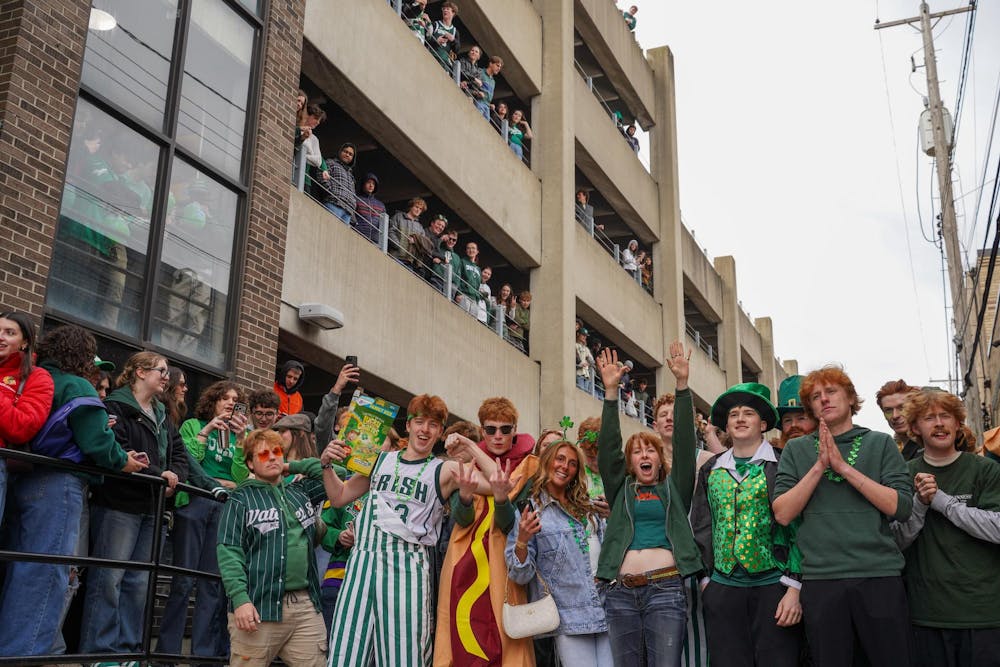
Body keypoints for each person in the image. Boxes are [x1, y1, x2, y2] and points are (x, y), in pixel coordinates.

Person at [323, 394, 501, 667]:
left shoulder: (444, 469)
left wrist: (468, 443)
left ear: (440, 432)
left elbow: (499, 482)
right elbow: (339, 497)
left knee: (403, 657)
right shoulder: (379, 461)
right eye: (419, 422)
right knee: (345, 653)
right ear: (408, 425)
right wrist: (326, 465)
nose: (424, 430)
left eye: (432, 425)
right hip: (362, 562)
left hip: (407, 568)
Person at [0, 325, 146, 657]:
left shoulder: (32, 375)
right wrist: (124, 461)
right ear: (81, 356)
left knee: (17, 565)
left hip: (19, 477)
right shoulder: (76, 384)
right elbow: (96, 441)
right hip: (58, 483)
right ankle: (24, 655)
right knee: (47, 570)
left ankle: (10, 648)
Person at [773, 365, 913, 666]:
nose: (824, 399)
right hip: (822, 579)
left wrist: (843, 468)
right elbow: (783, 514)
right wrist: (819, 466)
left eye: (831, 391)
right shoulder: (797, 450)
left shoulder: (880, 443)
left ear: (850, 398)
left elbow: (900, 507)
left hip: (878, 574)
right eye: (815, 396)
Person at [595, 342, 702, 667]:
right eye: (637, 451)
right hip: (621, 593)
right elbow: (608, 451)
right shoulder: (622, 489)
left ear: (659, 459)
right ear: (630, 462)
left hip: (665, 590)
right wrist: (610, 393)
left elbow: (684, 446)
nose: (644, 455)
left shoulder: (674, 488)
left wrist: (682, 386)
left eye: (650, 450)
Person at [80, 351, 189, 658]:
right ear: (140, 372)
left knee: (139, 582)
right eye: (161, 371)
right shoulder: (115, 405)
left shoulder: (164, 414)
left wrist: (174, 477)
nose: (167, 377)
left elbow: (180, 455)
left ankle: (127, 651)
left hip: (152, 507)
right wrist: (160, 475)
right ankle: (98, 653)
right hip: (119, 504)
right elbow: (119, 451)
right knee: (109, 579)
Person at [690, 383, 802, 667]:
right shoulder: (710, 468)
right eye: (734, 414)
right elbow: (702, 525)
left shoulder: (782, 464)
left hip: (774, 585)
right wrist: (707, 580)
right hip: (723, 586)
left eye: (748, 413)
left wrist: (794, 587)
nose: (740, 418)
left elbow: (798, 529)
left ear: (763, 423)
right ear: (726, 425)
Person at [892, 388, 1000, 667]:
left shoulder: (985, 470)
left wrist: (942, 501)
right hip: (927, 613)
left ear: (957, 423)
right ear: (915, 427)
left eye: (946, 416)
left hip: (983, 611)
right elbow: (896, 542)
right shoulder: (904, 473)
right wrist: (920, 503)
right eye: (929, 418)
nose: (939, 423)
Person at [217, 429, 337, 667]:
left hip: (305, 606)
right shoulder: (240, 499)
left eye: (276, 452)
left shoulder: (299, 492)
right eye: (263, 454)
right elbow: (229, 552)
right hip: (258, 606)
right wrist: (240, 600)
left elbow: (338, 473)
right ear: (250, 464)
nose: (272, 457)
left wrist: (290, 466)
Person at [434, 397, 539, 666]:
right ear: (482, 430)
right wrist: (466, 497)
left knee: (506, 632)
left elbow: (510, 524)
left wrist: (502, 501)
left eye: (505, 429)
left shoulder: (529, 467)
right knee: (461, 629)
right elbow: (460, 518)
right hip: (463, 560)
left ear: (515, 430)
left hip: (504, 559)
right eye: (491, 430)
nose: (498, 436)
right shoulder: (468, 464)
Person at [157, 380, 251, 663]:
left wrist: (242, 440)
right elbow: (187, 461)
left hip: (225, 507)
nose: (231, 403)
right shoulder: (193, 426)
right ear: (213, 401)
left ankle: (203, 655)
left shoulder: (240, 437)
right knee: (183, 580)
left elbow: (239, 476)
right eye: (225, 398)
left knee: (212, 583)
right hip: (195, 503)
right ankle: (167, 653)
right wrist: (208, 430)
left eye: (236, 400)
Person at [506, 438, 611, 666]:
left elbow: (612, 553)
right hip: (569, 616)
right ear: (547, 462)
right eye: (560, 459)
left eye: (572, 463)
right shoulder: (531, 510)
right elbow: (519, 575)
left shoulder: (589, 507)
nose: (565, 467)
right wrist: (522, 541)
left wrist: (612, 517)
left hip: (606, 606)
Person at [0, 311, 53, 525]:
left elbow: (22, 427)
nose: (0, 336)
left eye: (9, 332)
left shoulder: (37, 377)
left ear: (25, 343)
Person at [876, 379, 921, 460]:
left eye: (902, 408)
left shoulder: (930, 445)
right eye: (888, 410)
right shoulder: (885, 450)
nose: (895, 416)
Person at [774, 375, 817, 450]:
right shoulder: (774, 460)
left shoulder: (834, 454)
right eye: (787, 420)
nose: (793, 425)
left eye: (801, 418)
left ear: (816, 421)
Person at [318, 143, 357, 225]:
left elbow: (353, 194)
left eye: (350, 154)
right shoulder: (331, 163)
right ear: (340, 152)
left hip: (348, 211)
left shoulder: (351, 175)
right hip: (334, 204)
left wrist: (353, 205)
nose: (347, 155)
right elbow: (321, 175)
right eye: (345, 151)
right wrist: (331, 193)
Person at [388, 197, 429, 267]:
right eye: (416, 207)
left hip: (410, 261)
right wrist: (397, 245)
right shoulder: (398, 217)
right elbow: (391, 231)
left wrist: (416, 241)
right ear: (411, 207)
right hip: (395, 256)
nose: (418, 210)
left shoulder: (420, 227)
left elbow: (423, 244)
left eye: (420, 209)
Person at [354, 173, 385, 244]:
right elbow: (351, 215)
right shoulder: (356, 199)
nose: (371, 185)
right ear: (363, 184)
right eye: (368, 182)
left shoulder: (381, 205)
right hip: (358, 235)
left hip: (374, 241)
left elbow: (384, 224)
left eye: (373, 184)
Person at [429, 2, 461, 70]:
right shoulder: (435, 24)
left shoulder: (455, 31)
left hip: (444, 62)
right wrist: (436, 40)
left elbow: (457, 50)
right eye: (443, 9)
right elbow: (426, 38)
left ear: (453, 13)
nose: (445, 10)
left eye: (447, 9)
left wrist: (453, 40)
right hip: (432, 56)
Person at [458, 240, 484, 318]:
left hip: (474, 300)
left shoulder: (478, 269)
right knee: (462, 318)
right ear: (466, 251)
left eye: (473, 248)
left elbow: (478, 285)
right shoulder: (462, 262)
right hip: (464, 295)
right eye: (468, 248)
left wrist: (477, 298)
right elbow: (458, 277)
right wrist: (458, 293)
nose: (471, 250)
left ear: (477, 251)